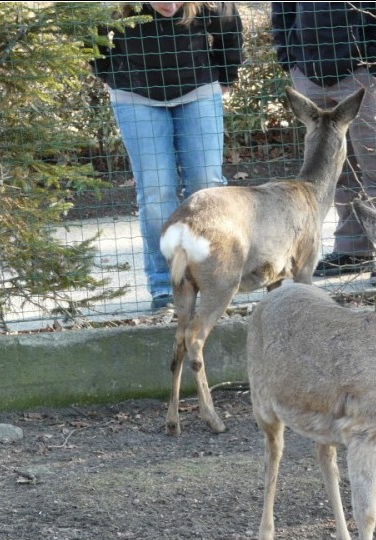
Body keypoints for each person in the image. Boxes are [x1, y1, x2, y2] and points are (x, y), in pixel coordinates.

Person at [91, 2, 244, 311]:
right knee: (156, 191)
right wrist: (108, 73)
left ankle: (216, 278)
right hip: (134, 93)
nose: (170, 5)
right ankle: (165, 286)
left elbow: (229, 28)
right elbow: (87, 30)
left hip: (197, 87)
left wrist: (226, 76)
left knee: (207, 185)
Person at [271, 2, 376, 277]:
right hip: (309, 73)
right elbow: (281, 13)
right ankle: (353, 251)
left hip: (361, 72)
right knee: (336, 169)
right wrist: (289, 59)